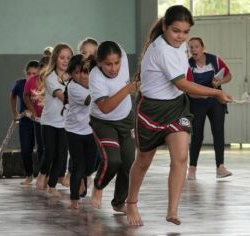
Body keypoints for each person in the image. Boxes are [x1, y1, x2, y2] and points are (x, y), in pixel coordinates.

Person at [126, 5, 232, 226]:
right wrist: (216, 92)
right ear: (165, 27)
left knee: (181, 157)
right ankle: (131, 202)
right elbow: (182, 83)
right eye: (176, 31)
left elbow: (182, 84)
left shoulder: (180, 45)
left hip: (176, 107)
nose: (181, 36)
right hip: (151, 110)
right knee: (143, 162)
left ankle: (172, 210)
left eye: (185, 32)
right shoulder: (161, 49)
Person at [89, 41, 138, 213]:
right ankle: (98, 186)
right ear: (99, 62)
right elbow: (105, 107)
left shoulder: (122, 54)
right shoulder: (95, 77)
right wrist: (127, 90)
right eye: (108, 64)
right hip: (103, 122)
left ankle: (119, 202)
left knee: (129, 163)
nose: (114, 68)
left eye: (117, 63)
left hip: (125, 119)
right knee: (113, 160)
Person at [186, 37, 232, 180]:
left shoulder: (215, 60)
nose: (193, 50)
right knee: (197, 135)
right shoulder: (187, 65)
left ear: (202, 48)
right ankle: (192, 168)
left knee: (218, 132)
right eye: (191, 47)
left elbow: (229, 75)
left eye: (196, 47)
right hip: (196, 102)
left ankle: (220, 167)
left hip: (216, 101)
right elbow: (188, 88)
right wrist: (201, 95)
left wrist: (221, 81)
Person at [35, 43, 73, 198]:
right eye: (62, 57)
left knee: (62, 155)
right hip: (49, 121)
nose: (65, 61)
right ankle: (42, 173)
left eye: (69, 58)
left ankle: (52, 186)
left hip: (65, 123)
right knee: (50, 152)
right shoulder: (50, 77)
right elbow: (63, 97)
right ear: (55, 58)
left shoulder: (72, 78)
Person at [64, 55, 98, 209]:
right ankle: (74, 199)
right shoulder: (73, 87)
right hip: (74, 131)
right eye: (76, 72)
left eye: (84, 72)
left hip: (90, 131)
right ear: (71, 73)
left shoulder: (92, 83)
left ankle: (84, 180)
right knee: (78, 166)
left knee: (90, 166)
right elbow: (91, 100)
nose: (80, 76)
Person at [10, 60, 39, 185]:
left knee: (43, 149)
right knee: (26, 149)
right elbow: (12, 96)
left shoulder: (44, 84)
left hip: (40, 122)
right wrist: (15, 113)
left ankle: (46, 176)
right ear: (25, 73)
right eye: (29, 73)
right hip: (25, 122)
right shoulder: (20, 84)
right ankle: (29, 175)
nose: (31, 76)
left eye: (34, 73)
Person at [23, 56, 50, 178]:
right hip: (39, 119)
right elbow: (26, 96)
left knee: (53, 147)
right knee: (41, 147)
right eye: (42, 70)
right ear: (39, 69)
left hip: (52, 119)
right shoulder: (31, 81)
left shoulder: (52, 80)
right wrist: (33, 112)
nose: (44, 73)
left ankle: (54, 173)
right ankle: (42, 173)